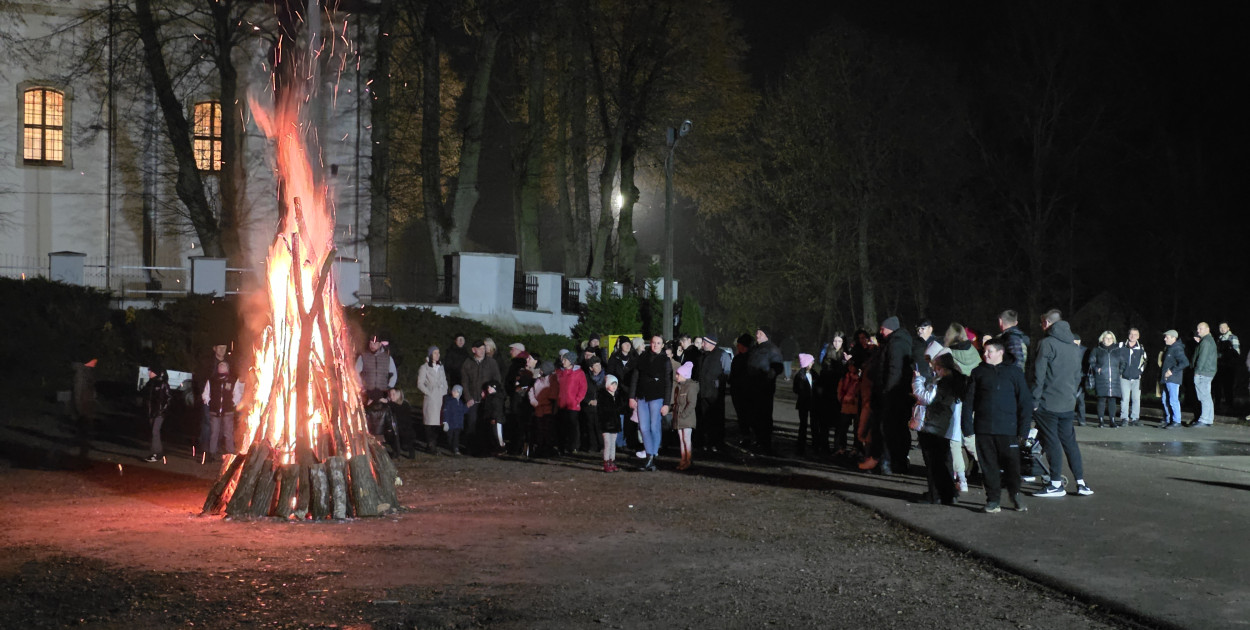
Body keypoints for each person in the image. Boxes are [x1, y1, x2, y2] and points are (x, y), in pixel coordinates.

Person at [964, 341, 1033, 513]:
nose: (985, 354)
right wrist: (968, 428)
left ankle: (1015, 494)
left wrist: (1023, 430)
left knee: (1012, 465)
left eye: (990, 351)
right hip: (984, 428)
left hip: (1008, 429)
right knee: (988, 467)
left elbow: (1025, 402)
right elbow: (968, 402)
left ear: (1000, 352)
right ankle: (993, 500)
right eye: (984, 351)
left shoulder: (1014, 373)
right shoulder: (978, 372)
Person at [1031, 309, 1094, 497]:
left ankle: (1056, 484)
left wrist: (1034, 400)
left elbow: (1038, 375)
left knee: (1052, 442)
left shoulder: (1047, 344)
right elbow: (1077, 377)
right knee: (1070, 443)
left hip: (1048, 403)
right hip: (1067, 403)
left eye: (1042, 323)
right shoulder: (1074, 347)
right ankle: (1081, 483)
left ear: (1047, 323)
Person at [909, 353, 966, 506]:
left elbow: (926, 398)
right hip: (943, 424)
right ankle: (949, 493)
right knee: (944, 460)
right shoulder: (954, 381)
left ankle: (935, 495)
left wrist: (917, 381)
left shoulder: (942, 382)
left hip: (932, 423)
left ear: (939, 367)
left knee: (933, 462)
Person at [872, 316, 915, 475]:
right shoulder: (898, 342)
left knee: (889, 429)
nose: (880, 332)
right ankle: (898, 462)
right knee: (898, 429)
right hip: (899, 394)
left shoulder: (896, 344)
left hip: (894, 395)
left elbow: (894, 371)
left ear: (889, 328)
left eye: (882, 328)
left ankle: (888, 462)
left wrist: (886, 392)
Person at [629, 335, 673, 471]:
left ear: (662, 345)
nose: (655, 345)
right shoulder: (642, 358)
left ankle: (652, 456)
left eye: (658, 343)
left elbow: (668, 383)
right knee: (643, 428)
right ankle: (649, 455)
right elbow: (635, 378)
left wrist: (666, 403)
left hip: (657, 397)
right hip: (642, 397)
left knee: (654, 427)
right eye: (653, 343)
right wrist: (632, 396)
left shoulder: (665, 361)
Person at [744, 328, 784, 454]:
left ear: (767, 335)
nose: (757, 335)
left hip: (764, 387)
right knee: (754, 415)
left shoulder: (772, 349)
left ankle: (765, 442)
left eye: (760, 333)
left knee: (764, 415)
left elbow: (778, 366)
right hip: (752, 386)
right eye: (757, 333)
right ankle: (757, 439)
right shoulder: (755, 348)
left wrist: (770, 375)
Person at [461, 339, 503, 452]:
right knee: (472, 423)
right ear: (473, 350)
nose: (482, 351)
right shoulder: (467, 363)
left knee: (485, 424)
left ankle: (485, 448)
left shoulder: (491, 363)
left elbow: (497, 379)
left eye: (484, 348)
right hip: (473, 399)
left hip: (488, 400)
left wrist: (490, 391)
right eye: (479, 349)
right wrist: (468, 398)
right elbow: (464, 382)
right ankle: (470, 447)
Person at [356, 332, 398, 439]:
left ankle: (386, 443)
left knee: (384, 420)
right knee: (366, 420)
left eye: (375, 343)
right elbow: (355, 373)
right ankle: (365, 440)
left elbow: (393, 374)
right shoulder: (363, 357)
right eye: (370, 343)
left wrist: (389, 388)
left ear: (380, 344)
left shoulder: (387, 358)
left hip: (382, 393)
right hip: (367, 393)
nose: (372, 345)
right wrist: (362, 388)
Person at [201, 359, 243, 461]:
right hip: (214, 411)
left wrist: (233, 403)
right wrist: (208, 402)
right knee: (214, 432)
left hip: (228, 412)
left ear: (227, 368)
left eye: (223, 366)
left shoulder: (233, 380)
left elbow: (237, 394)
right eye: (220, 366)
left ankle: (230, 453)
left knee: (228, 432)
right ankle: (211, 453)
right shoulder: (212, 380)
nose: (221, 367)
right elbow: (206, 393)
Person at [814, 334, 847, 457]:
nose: (836, 343)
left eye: (839, 341)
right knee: (825, 422)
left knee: (839, 423)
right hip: (828, 392)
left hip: (839, 393)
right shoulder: (827, 354)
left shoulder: (845, 355)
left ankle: (837, 446)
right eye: (835, 340)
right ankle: (824, 446)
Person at [694, 335, 729, 452]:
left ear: (711, 343)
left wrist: (719, 386)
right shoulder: (702, 356)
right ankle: (704, 442)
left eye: (704, 342)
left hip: (715, 395)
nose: (702, 344)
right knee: (703, 419)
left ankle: (716, 443)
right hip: (703, 393)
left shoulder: (722, 354)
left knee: (716, 420)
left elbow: (726, 373)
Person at [1088, 331, 1125, 429]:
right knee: (1101, 399)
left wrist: (1119, 372)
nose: (1108, 340)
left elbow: (1123, 362)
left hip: (1114, 378)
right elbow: (1091, 362)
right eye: (1106, 338)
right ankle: (1101, 421)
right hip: (1101, 377)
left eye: (1110, 338)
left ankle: (1112, 421)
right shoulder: (1096, 350)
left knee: (1112, 399)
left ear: (1113, 339)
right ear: (1102, 339)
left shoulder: (1118, 350)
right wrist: (1097, 369)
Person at [417, 346, 448, 454]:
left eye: (438, 353)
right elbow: (420, 383)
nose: (437, 355)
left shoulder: (441, 367)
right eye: (435, 353)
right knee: (430, 422)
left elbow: (444, 380)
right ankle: (431, 445)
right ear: (430, 354)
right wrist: (428, 392)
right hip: (430, 398)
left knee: (438, 422)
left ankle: (433, 444)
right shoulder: (424, 367)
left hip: (440, 397)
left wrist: (444, 391)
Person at [555, 352, 587, 454]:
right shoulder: (559, 372)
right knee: (561, 427)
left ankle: (573, 447)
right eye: (563, 359)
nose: (562, 362)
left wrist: (577, 400)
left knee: (573, 427)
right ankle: (562, 447)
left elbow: (583, 388)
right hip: (561, 404)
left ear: (571, 361)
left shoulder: (579, 373)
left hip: (572, 405)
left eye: (565, 360)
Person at [140, 366, 171, 463]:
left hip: (159, 413)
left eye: (151, 371)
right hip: (151, 412)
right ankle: (157, 452)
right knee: (154, 432)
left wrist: (162, 410)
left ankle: (157, 453)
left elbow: (168, 398)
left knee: (155, 431)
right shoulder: (150, 383)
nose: (149, 373)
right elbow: (146, 397)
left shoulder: (162, 384)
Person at [672, 361, 700, 470]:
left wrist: (683, 415)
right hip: (680, 418)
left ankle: (687, 460)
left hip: (685, 418)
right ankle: (684, 459)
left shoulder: (690, 387)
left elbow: (692, 403)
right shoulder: (680, 387)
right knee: (682, 439)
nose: (676, 376)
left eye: (678, 374)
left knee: (686, 439)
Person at [597, 374, 627, 472]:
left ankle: (612, 461)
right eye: (612, 384)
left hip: (614, 423)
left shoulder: (617, 397)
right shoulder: (603, 396)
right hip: (606, 423)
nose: (614, 387)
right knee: (607, 443)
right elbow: (603, 410)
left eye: (615, 384)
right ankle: (606, 462)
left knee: (612, 443)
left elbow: (620, 407)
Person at [1158, 330, 1188, 428]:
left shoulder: (1177, 348)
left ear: (1173, 338)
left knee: (1173, 400)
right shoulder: (1170, 348)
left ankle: (1176, 420)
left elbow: (1184, 362)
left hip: (1173, 379)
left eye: (1167, 337)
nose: (1164, 339)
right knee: (1165, 400)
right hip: (1167, 379)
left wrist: (1171, 371)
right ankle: (1169, 419)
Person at [1189, 322, 1217, 427]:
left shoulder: (1206, 342)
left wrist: (1197, 371)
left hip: (1203, 372)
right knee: (1206, 396)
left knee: (1203, 396)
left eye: (1200, 329)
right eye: (1197, 329)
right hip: (1207, 371)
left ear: (1207, 329)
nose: (1198, 331)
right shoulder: (1207, 340)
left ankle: (1204, 419)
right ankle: (1208, 419)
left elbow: (1202, 358)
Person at [730, 333, 755, 449]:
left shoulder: (741, 359)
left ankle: (747, 436)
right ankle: (748, 436)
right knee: (746, 415)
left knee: (744, 415)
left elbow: (733, 376)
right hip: (744, 391)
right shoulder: (751, 358)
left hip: (742, 391)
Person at [529, 361, 560, 456]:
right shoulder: (538, 380)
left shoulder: (553, 381)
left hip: (548, 410)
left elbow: (553, 396)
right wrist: (534, 401)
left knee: (547, 431)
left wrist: (540, 403)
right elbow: (531, 391)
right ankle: (540, 448)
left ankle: (547, 448)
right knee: (539, 430)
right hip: (538, 409)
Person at [1117, 328, 1147, 426]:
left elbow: (1145, 361)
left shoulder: (1141, 348)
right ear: (1128, 335)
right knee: (1125, 398)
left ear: (1138, 336)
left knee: (1136, 399)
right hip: (1124, 377)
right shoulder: (1121, 346)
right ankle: (1124, 418)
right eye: (1131, 334)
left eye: (1135, 334)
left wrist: (1139, 372)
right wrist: (1119, 371)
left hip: (1136, 378)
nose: (1133, 336)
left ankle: (1135, 419)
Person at [793, 353, 816, 456]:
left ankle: (813, 444)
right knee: (804, 424)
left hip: (810, 402)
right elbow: (796, 389)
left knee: (812, 424)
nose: (813, 363)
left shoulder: (813, 374)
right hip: (804, 402)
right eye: (811, 362)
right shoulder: (800, 376)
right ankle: (801, 445)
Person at [1215, 322, 1240, 412]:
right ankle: (1217, 405)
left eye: (1224, 327)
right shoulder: (1219, 338)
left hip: (1229, 367)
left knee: (1228, 388)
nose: (1222, 329)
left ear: (1228, 328)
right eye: (1220, 327)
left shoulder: (1233, 337)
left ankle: (1230, 407)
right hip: (1219, 366)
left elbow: (1237, 353)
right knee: (1217, 387)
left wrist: (1226, 355)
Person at [388, 388, 417, 459]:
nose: (391, 396)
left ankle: (411, 453)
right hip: (397, 427)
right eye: (390, 394)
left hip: (405, 428)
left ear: (399, 394)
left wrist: (388, 402)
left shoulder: (404, 404)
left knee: (406, 439)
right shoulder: (392, 405)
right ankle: (396, 452)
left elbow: (398, 410)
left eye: (393, 394)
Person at [479, 380, 506, 454]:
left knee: (497, 434)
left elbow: (497, 409)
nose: (489, 389)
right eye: (488, 387)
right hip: (491, 418)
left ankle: (501, 448)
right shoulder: (490, 397)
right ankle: (497, 449)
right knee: (493, 434)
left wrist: (494, 418)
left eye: (491, 387)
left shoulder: (496, 397)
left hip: (497, 419)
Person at [441, 385, 468, 455]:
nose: (454, 392)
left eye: (456, 391)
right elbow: (446, 412)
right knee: (450, 436)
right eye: (453, 391)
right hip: (451, 423)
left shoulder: (460, 402)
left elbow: (463, 411)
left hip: (458, 424)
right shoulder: (449, 402)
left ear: (459, 393)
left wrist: (467, 407)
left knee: (456, 436)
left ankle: (455, 448)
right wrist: (445, 422)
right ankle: (451, 445)